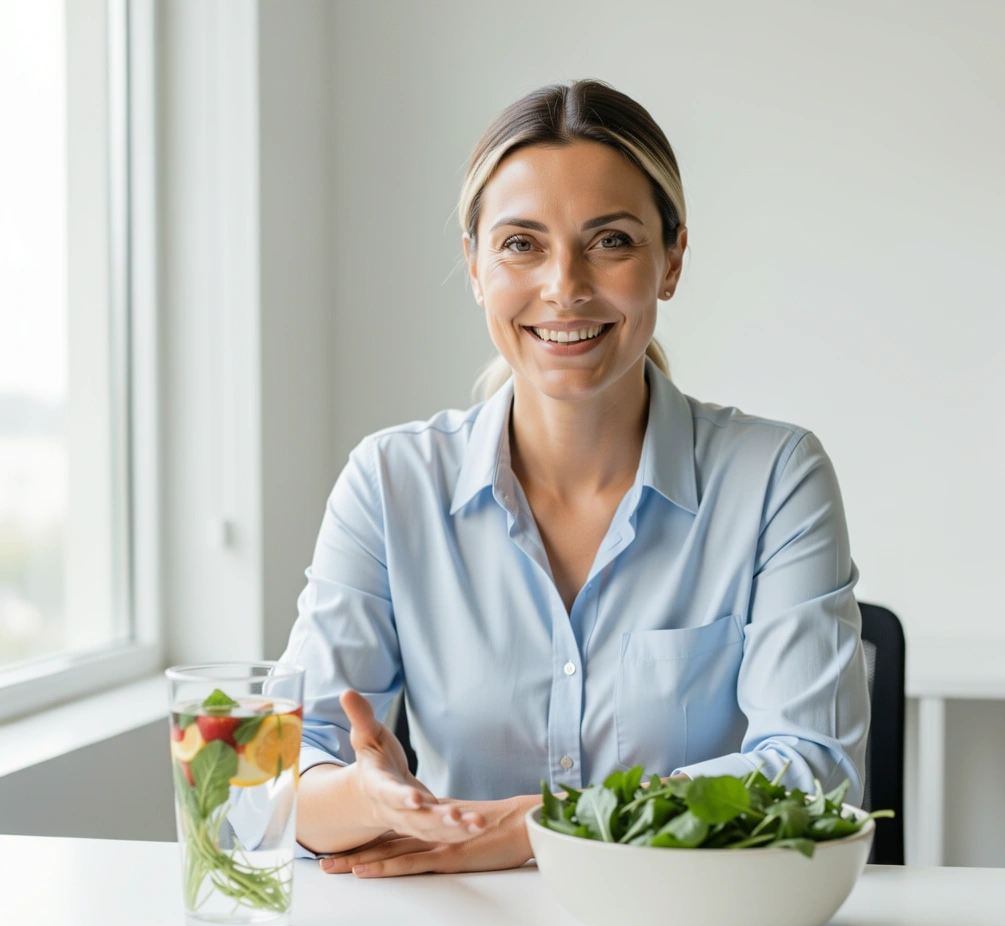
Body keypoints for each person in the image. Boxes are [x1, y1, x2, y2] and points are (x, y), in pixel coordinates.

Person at [278, 79, 870, 878]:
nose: (566, 285)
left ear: (672, 259)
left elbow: (813, 768)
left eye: (612, 241)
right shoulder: (389, 484)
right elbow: (291, 769)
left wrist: (545, 827)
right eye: (522, 243)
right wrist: (371, 800)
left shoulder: (774, 479)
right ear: (476, 266)